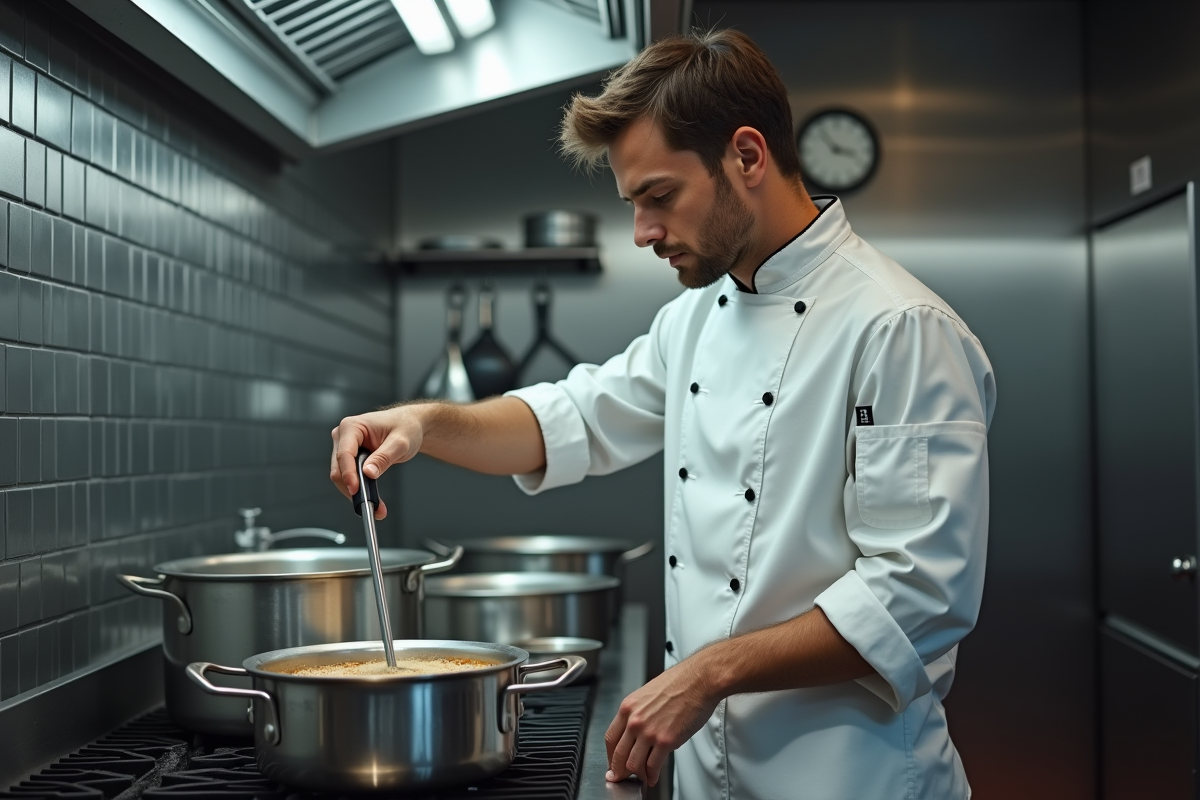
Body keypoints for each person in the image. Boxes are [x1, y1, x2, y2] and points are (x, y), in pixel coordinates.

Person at [330, 28, 994, 800]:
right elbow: (571, 417)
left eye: (659, 197)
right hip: (711, 773)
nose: (643, 232)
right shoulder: (700, 317)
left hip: (855, 779)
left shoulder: (898, 328)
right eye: (633, 203)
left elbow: (917, 596)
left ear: (747, 156)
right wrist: (423, 424)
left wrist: (707, 672)